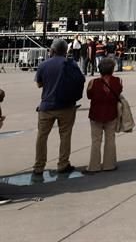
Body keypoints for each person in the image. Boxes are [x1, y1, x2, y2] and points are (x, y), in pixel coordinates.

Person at [33, 39, 84, 177]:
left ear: (52, 50)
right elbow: (80, 80)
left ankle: (39, 166)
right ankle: (63, 163)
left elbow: (39, 84)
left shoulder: (44, 64)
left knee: (42, 137)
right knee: (65, 136)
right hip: (66, 105)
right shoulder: (71, 64)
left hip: (47, 105)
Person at [86, 57, 122, 173]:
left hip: (96, 113)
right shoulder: (118, 81)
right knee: (110, 139)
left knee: (96, 141)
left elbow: (89, 96)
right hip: (111, 112)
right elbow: (119, 91)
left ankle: (94, 166)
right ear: (112, 69)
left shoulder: (92, 82)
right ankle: (109, 164)